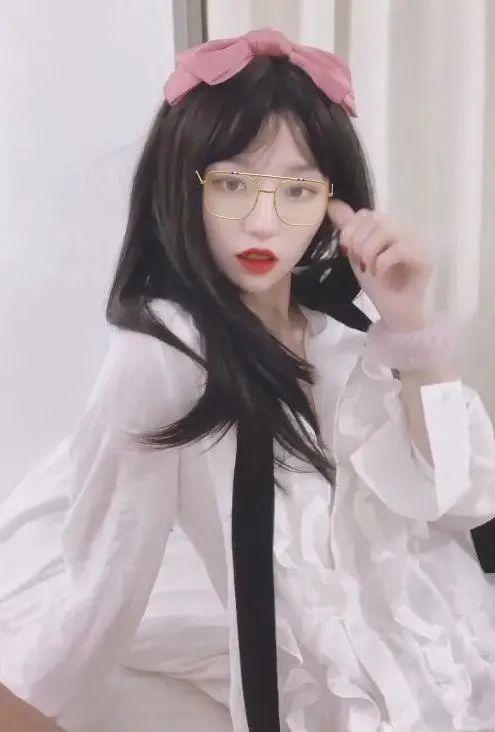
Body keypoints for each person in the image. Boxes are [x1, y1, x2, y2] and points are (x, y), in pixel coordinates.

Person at [2, 25, 495, 732]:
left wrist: (411, 322)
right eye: (231, 183)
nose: (264, 222)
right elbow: (102, 583)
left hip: (457, 654)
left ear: (334, 202)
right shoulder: (167, 351)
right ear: (184, 187)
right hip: (333, 703)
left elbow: (461, 497)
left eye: (297, 190)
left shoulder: (348, 322)